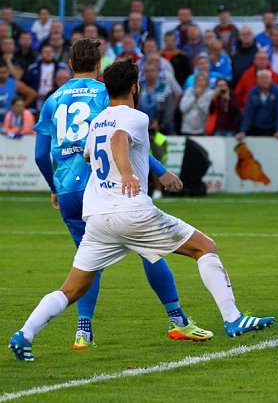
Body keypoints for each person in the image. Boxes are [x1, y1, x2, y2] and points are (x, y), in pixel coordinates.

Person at [9, 59, 275, 361]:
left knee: (71, 289)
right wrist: (127, 173)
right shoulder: (135, 117)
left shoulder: (97, 121)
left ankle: (24, 335)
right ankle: (233, 318)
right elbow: (119, 139)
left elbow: (89, 156)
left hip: (98, 218)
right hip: (131, 211)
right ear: (134, 88)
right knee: (205, 247)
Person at [28, 40, 210, 352]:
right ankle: (178, 319)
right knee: (150, 250)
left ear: (70, 64)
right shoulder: (106, 92)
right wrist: (159, 170)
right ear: (99, 63)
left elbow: (40, 155)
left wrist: (54, 188)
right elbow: (120, 138)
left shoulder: (53, 99)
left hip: (68, 190)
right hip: (103, 187)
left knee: (86, 264)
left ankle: (83, 331)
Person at [237, 69, 278, 139]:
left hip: (273, 128)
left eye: (266, 78)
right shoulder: (253, 91)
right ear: (257, 80)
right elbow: (248, 112)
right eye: (262, 78)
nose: (264, 80)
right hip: (256, 128)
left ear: (271, 79)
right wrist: (243, 131)